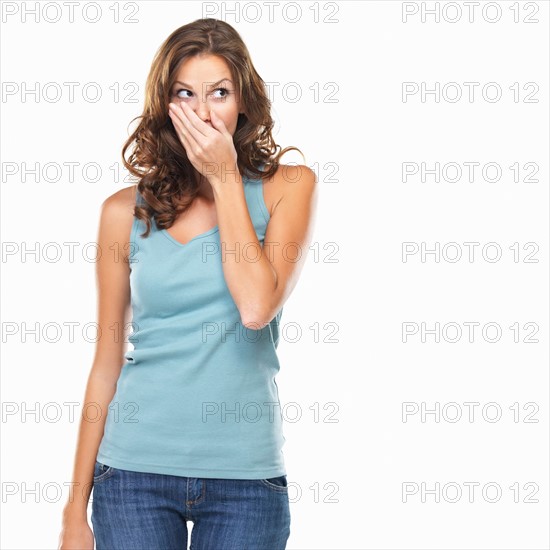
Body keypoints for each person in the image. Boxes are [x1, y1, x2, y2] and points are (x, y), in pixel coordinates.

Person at [58, 17, 317, 550]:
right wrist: (72, 511)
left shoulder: (288, 187)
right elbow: (105, 363)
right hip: (132, 473)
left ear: (243, 100)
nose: (203, 112)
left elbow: (255, 307)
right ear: (166, 105)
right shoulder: (121, 212)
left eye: (219, 92)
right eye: (186, 93)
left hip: (247, 478)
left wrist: (224, 177)